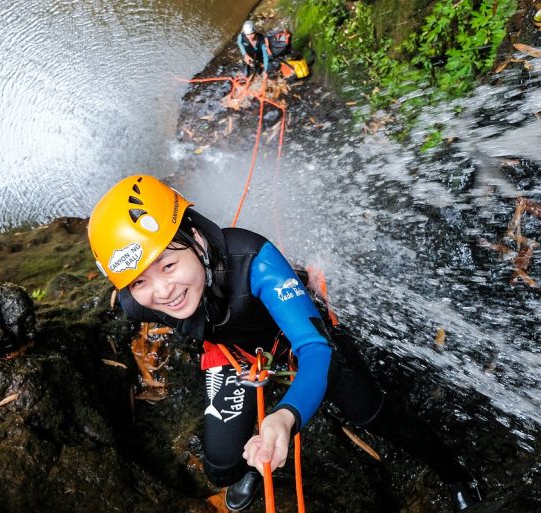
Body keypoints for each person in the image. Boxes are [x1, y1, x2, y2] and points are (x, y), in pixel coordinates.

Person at [87, 174, 481, 511]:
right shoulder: (138, 303)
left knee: (374, 414)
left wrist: (286, 415)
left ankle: (455, 473)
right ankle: (252, 467)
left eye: (169, 265)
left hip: (294, 338)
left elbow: (316, 349)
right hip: (236, 354)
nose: (163, 292)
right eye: (140, 280)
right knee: (221, 467)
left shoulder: (255, 262)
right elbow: (167, 300)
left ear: (196, 238)